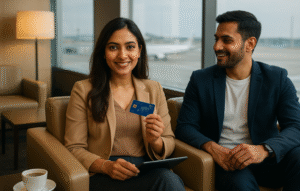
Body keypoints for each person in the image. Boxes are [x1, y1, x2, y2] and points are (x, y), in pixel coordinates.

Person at [175, 10, 300, 191]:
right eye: (216, 38)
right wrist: (213, 148)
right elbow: (185, 127)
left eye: (226, 40)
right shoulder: (200, 80)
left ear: (250, 44)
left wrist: (264, 149)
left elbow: (296, 126)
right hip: (228, 162)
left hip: (265, 159)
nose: (217, 46)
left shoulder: (276, 78)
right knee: (239, 185)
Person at [64, 17, 185, 191]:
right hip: (104, 172)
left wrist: (156, 140)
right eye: (113, 47)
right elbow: (74, 148)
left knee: (168, 180)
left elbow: (169, 141)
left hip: (144, 169)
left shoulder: (153, 89)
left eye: (130, 47)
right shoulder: (83, 90)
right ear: (104, 52)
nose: (122, 55)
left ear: (139, 51)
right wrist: (105, 166)